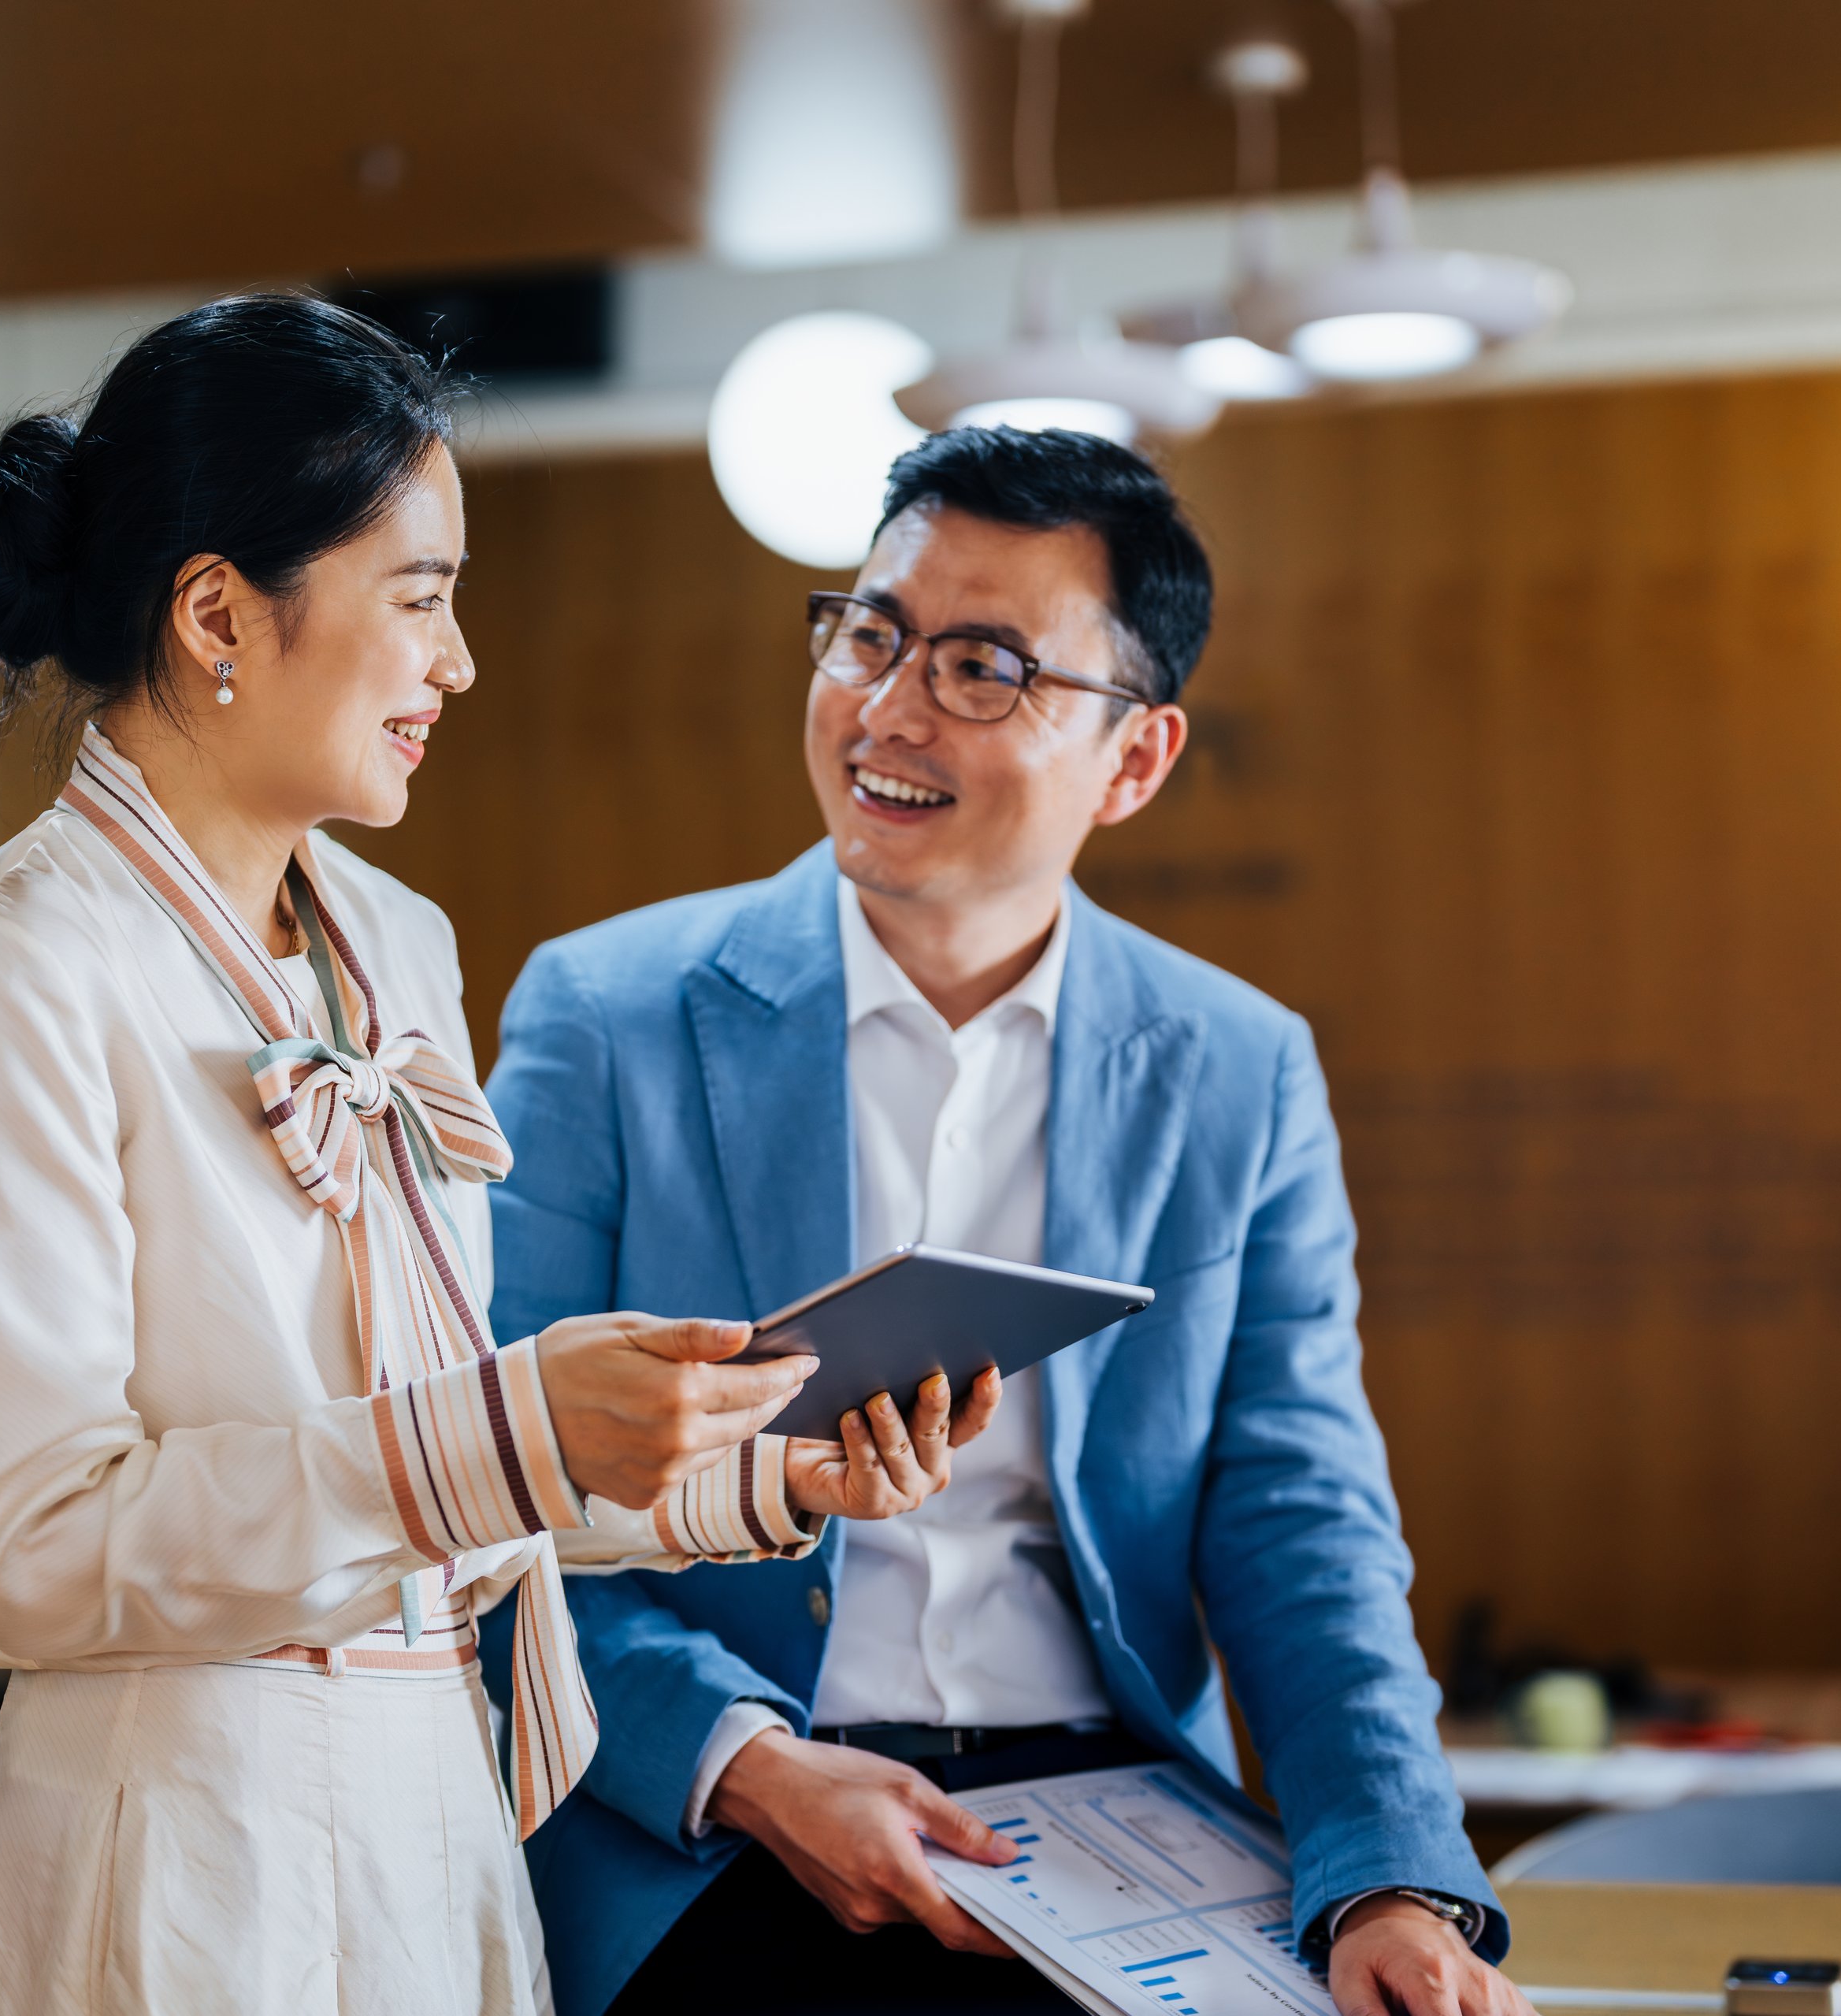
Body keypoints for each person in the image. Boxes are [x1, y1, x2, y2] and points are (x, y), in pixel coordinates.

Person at [0, 295, 990, 2016]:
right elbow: (27, 1543)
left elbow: (454, 1483)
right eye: (422, 597)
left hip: (434, 1829)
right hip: (180, 1857)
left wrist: (762, 1472)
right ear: (221, 610)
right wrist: (501, 1427)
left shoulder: (390, 939)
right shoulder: (20, 966)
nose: (458, 663)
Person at [487, 428, 1530, 2016]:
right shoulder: (609, 1013)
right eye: (872, 633)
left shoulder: (1237, 1065)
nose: (889, 707)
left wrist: (1386, 1872)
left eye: (985, 666)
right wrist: (752, 1762)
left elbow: (1298, 1510)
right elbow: (494, 1493)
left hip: (1112, 1821)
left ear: (1135, 758)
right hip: (719, 1820)